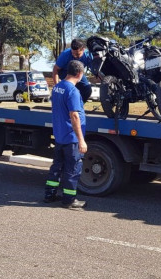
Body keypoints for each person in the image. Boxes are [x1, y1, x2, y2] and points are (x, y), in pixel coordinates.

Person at [44, 60, 88, 210]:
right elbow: (74, 115)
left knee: (56, 167)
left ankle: (49, 195)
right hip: (71, 138)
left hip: (60, 135)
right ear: (79, 74)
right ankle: (69, 200)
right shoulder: (72, 91)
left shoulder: (57, 87)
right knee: (72, 169)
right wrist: (81, 140)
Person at [52, 39, 93, 103]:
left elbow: (96, 70)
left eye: (77, 54)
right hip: (64, 72)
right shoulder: (65, 54)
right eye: (73, 53)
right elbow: (55, 69)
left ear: (83, 49)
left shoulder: (88, 55)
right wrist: (57, 85)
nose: (75, 56)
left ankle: (78, 106)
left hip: (78, 73)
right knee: (69, 87)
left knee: (87, 89)